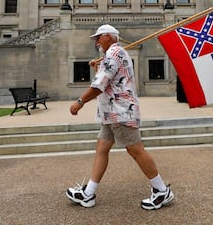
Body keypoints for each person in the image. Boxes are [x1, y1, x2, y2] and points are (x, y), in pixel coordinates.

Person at [65, 24, 174, 210]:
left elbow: (99, 85)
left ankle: (162, 191)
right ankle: (89, 193)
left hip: (120, 112)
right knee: (102, 147)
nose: (96, 41)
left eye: (98, 37)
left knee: (136, 150)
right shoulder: (113, 55)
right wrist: (98, 67)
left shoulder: (114, 53)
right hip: (111, 113)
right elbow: (109, 80)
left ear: (108, 36)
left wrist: (80, 102)